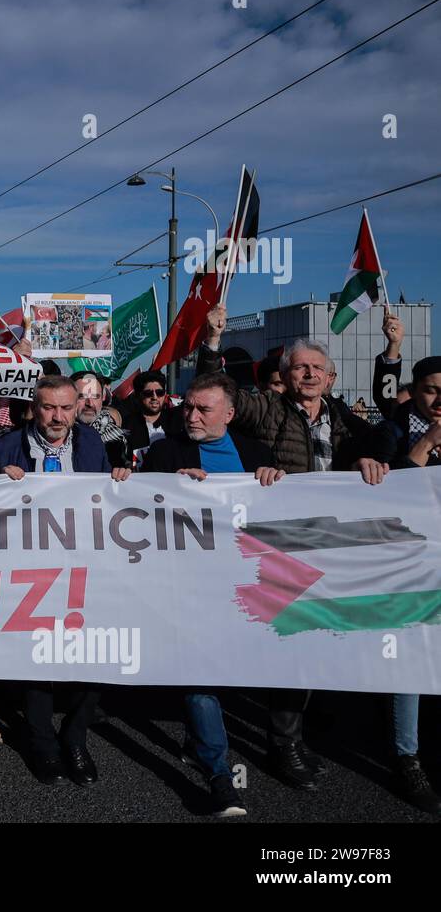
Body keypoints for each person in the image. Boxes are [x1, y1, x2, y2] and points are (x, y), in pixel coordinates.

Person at [199, 304, 388, 791]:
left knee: (320, 642)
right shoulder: (269, 410)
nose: (308, 373)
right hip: (282, 545)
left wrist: (374, 458)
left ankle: (300, 728)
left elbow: (385, 435)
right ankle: (283, 744)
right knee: (296, 643)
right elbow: (222, 394)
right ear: (285, 375)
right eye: (299, 366)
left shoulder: (344, 418)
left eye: (317, 369)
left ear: (329, 378)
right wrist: (213, 343)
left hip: (332, 545)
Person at [141, 373, 286, 818]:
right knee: (201, 676)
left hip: (245, 583)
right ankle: (219, 775)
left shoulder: (257, 453)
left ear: (230, 413)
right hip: (188, 586)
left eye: (204, 409)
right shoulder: (166, 451)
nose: (192, 416)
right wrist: (168, 486)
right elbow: (136, 510)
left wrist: (276, 479)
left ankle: (207, 743)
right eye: (188, 408)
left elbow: (284, 512)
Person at [0, 375, 131, 787]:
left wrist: (118, 481)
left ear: (78, 408)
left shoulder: (90, 444)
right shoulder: (3, 448)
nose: (57, 417)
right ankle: (41, 742)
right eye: (48, 407)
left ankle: (75, 734)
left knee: (94, 649)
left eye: (65, 408)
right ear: (34, 408)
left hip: (82, 563)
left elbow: (107, 500)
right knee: (38, 654)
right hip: (26, 567)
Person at [371, 353, 441, 815]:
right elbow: (386, 495)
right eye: (433, 389)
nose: (440, 400)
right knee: (412, 662)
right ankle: (407, 757)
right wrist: (426, 446)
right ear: (415, 391)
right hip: (409, 563)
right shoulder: (389, 432)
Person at [120, 369, 179, 464]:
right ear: (138, 396)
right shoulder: (127, 424)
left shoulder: (176, 420)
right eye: (148, 393)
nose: (155, 397)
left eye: (159, 392)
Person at [73, 370, 128, 469]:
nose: (89, 403)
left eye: (95, 397)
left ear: (103, 398)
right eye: (81, 396)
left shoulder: (117, 439)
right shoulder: (57, 434)